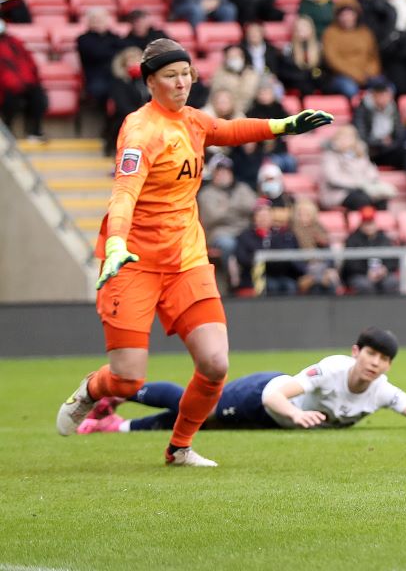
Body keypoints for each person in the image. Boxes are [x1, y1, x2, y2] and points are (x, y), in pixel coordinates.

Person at [54, 38, 333, 466]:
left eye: (186, 73)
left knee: (216, 364)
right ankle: (92, 391)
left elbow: (226, 129)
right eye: (171, 75)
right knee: (127, 380)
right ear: (150, 82)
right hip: (133, 262)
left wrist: (283, 125)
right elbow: (124, 194)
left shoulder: (191, 120)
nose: (182, 82)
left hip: (186, 260)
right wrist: (114, 244)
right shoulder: (140, 130)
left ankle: (179, 447)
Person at [76, 328, 406, 434]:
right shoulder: (333, 369)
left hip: (273, 419)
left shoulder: (383, 392)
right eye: (371, 354)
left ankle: (114, 426)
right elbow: (276, 393)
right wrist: (295, 414)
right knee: (202, 406)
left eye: (383, 360)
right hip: (261, 393)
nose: (375, 363)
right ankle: (123, 390)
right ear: (356, 352)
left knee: (202, 424)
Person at [0, 20, 48, 140]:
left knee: (38, 97)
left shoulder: (15, 42)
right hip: (5, 85)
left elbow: (29, 62)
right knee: (10, 99)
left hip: (25, 82)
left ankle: (35, 131)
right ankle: (7, 130)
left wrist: (32, 80)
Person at [342, 206, 401, 294]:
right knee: (365, 285)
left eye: (371, 223)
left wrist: (385, 269)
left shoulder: (384, 238)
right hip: (360, 274)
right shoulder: (352, 240)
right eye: (366, 223)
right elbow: (350, 264)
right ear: (361, 223)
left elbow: (394, 259)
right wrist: (366, 271)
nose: (369, 226)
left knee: (392, 282)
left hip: (383, 273)